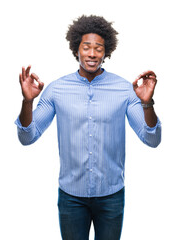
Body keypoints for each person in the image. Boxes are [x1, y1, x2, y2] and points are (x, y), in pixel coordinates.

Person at [15, 15, 161, 240]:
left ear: (106, 52)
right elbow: (27, 136)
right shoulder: (56, 90)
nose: (92, 54)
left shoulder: (124, 89)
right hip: (71, 197)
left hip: (111, 195)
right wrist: (28, 101)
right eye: (86, 47)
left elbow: (151, 139)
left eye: (98, 48)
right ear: (76, 50)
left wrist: (146, 103)